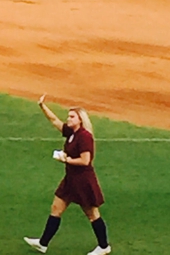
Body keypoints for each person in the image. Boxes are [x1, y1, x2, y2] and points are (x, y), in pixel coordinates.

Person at [23, 94, 111, 255]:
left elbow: (86, 161)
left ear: (80, 120)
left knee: (92, 214)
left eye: (72, 116)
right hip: (71, 179)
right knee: (56, 208)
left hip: (83, 181)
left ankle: (104, 247)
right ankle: (43, 243)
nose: (68, 119)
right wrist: (43, 106)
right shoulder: (72, 133)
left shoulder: (84, 137)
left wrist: (66, 159)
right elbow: (55, 121)